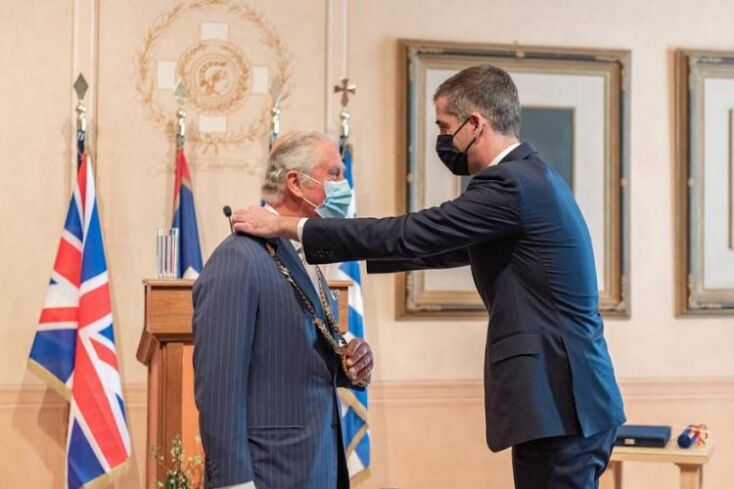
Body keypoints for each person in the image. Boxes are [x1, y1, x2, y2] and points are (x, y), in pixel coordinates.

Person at [231, 65, 626, 489]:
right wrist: (344, 247)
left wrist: (287, 226)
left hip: (560, 400)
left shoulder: (511, 183)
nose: (443, 140)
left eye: (445, 127)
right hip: (569, 400)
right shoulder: (532, 175)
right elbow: (436, 246)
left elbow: (411, 232)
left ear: (476, 124)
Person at [192, 130, 374, 489]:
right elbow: (218, 386)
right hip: (268, 474)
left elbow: (291, 359)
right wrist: (233, 482)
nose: (345, 185)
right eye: (334, 174)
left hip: (315, 468)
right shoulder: (240, 258)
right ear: (295, 183)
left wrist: (347, 365)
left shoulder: (305, 257)